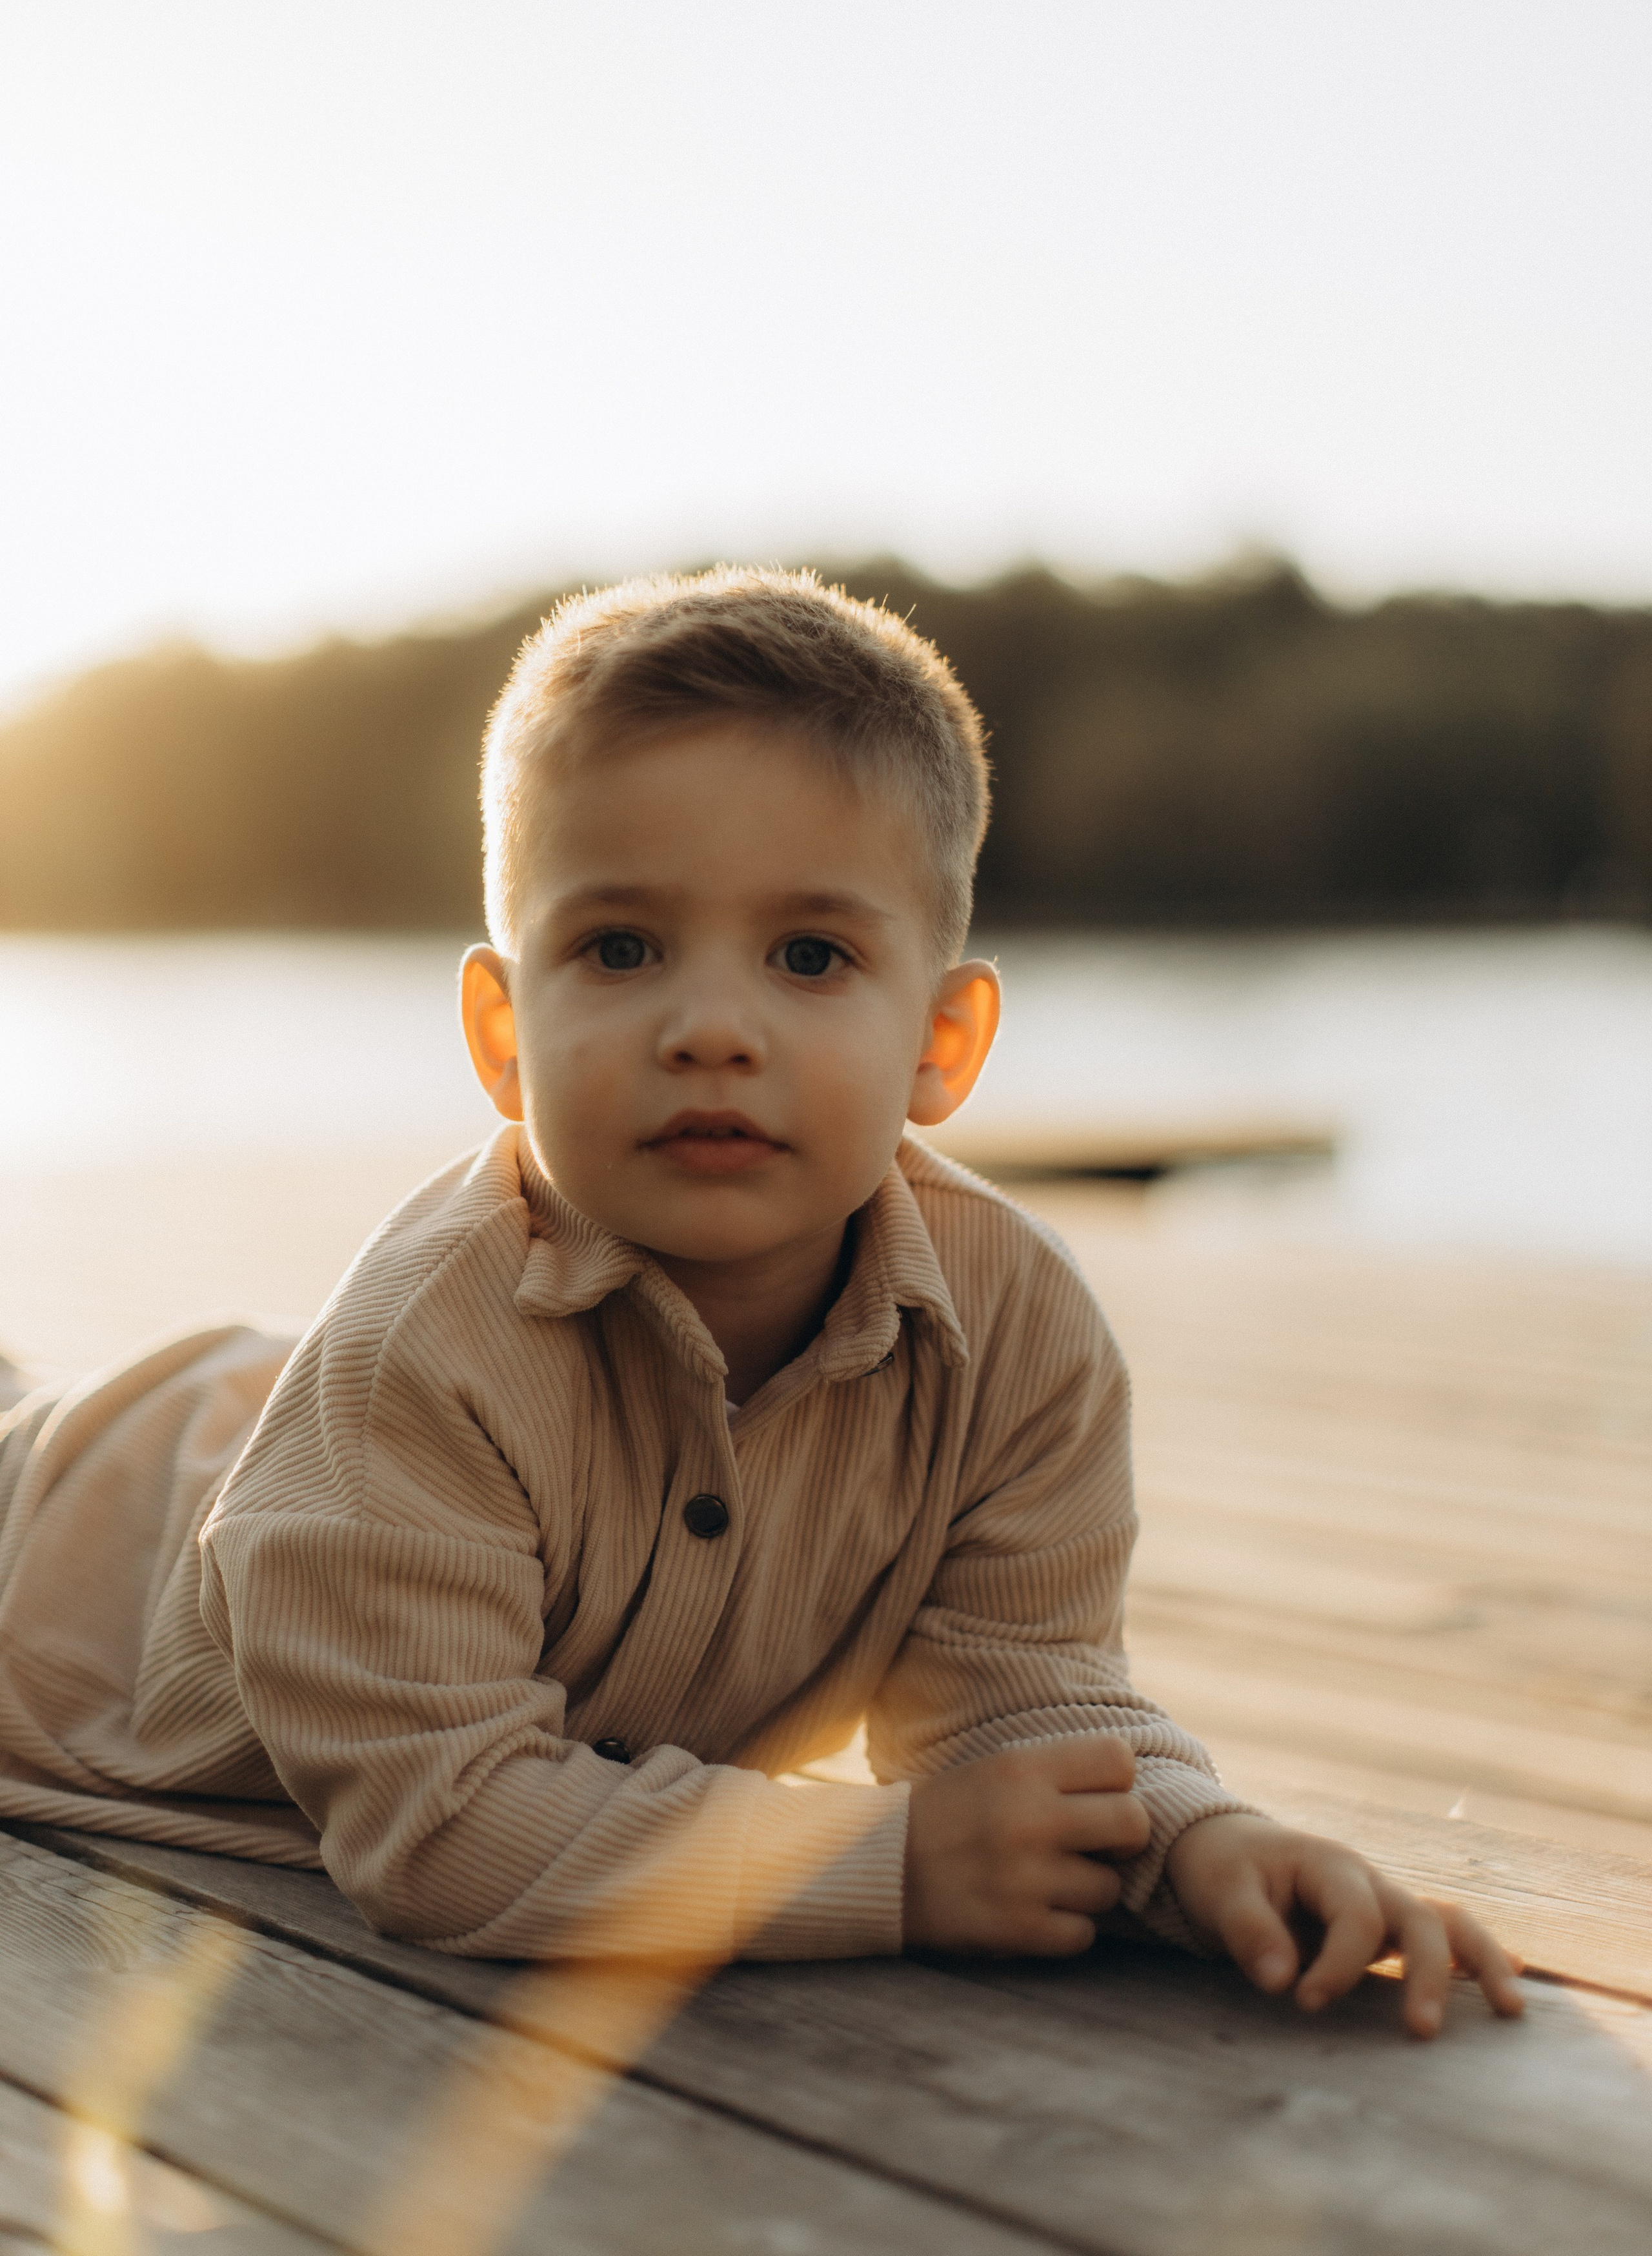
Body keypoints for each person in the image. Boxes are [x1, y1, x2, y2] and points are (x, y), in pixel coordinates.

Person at [0, 569, 1522, 2038]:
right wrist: (885, 1865)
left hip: (267, 1434)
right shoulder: (430, 1353)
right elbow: (444, 1829)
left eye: (808, 955)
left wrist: (1190, 1848)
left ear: (942, 1038)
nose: (711, 1028)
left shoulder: (1015, 1332)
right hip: (61, 1557)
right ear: (500, 1028)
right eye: (619, 948)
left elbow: (1018, 1698)